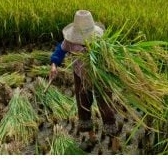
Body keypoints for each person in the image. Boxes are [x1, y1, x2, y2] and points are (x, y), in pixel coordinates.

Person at [49, 10, 119, 153]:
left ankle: (114, 139)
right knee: (83, 104)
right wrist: (54, 65)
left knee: (106, 106)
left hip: (100, 76)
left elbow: (112, 56)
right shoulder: (70, 41)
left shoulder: (100, 40)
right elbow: (59, 51)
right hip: (80, 76)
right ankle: (92, 137)